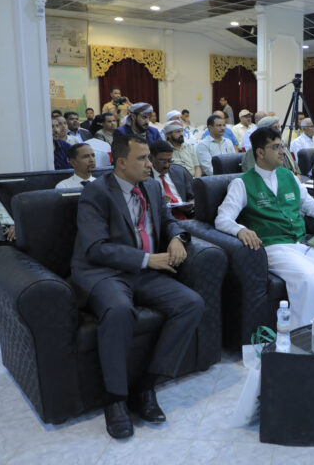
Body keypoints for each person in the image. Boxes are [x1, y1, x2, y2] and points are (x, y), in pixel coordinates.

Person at [71, 135, 204, 439]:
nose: (150, 163)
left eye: (149, 157)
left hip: (145, 270)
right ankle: (115, 399)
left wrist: (176, 238)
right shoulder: (95, 192)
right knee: (119, 310)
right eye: (142, 158)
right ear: (120, 163)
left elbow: (167, 220)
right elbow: (95, 248)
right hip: (105, 272)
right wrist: (147, 259)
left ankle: (146, 387)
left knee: (191, 304)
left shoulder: (152, 186)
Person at [215, 126, 314, 329]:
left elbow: (311, 206)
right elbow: (222, 218)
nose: (282, 152)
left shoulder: (289, 176)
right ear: (260, 152)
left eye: (282, 147)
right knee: (309, 277)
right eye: (276, 147)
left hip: (303, 242)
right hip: (275, 247)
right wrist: (240, 230)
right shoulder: (242, 184)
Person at [149, 140, 194, 220]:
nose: (167, 165)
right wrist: (159, 200)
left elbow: (194, 196)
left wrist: (190, 204)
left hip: (186, 215)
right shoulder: (145, 177)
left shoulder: (180, 171)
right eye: (162, 161)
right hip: (162, 218)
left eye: (170, 161)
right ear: (151, 158)